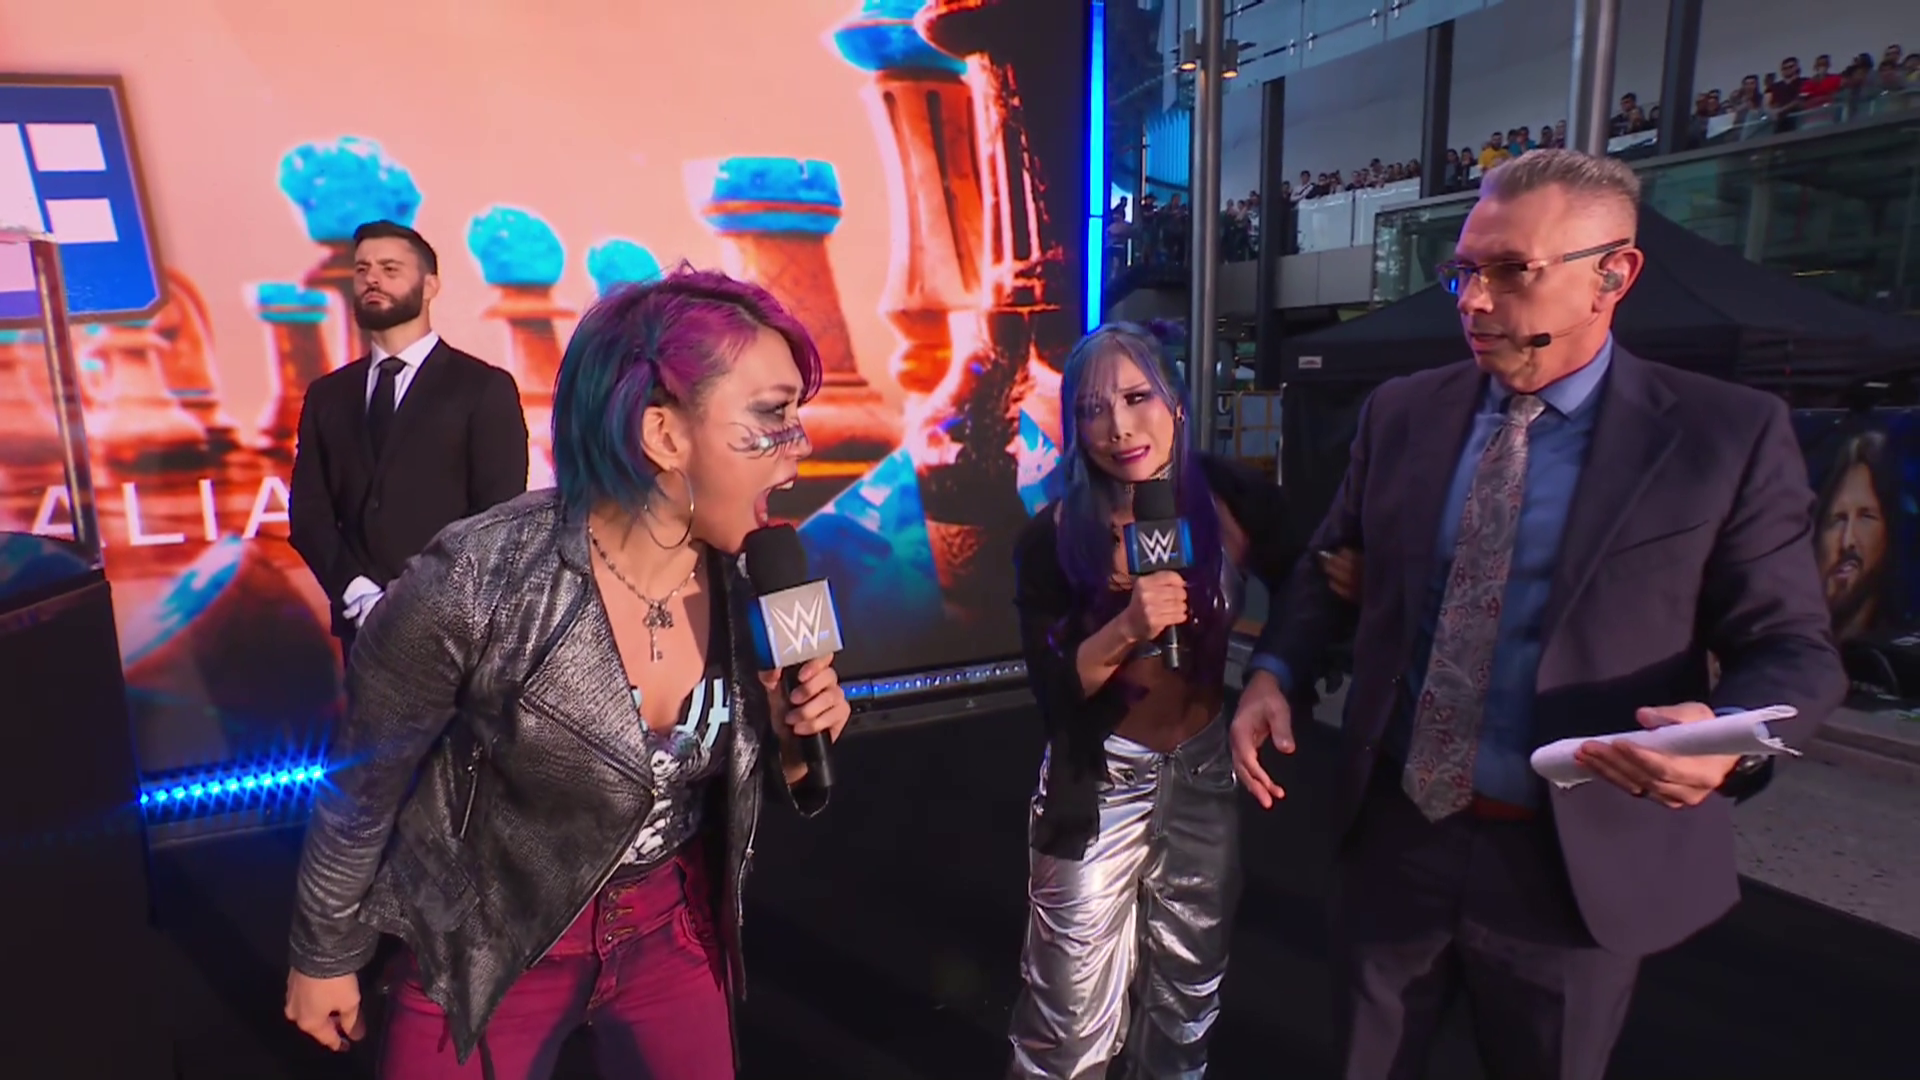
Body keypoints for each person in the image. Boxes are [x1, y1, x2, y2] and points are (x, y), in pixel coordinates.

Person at [1229, 149, 1846, 1080]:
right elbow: (1329, 563)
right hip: (1398, 836)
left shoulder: (1723, 435)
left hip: (1572, 866)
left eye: (1512, 271)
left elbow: (1794, 647)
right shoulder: (1402, 412)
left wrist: (1726, 739)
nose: (1473, 301)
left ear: (1614, 275)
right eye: (1463, 270)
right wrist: (1275, 670)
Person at [282, 266, 853, 1080]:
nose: (800, 447)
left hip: (668, 933)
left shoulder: (761, 576)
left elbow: (761, 771)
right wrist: (323, 954)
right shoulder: (474, 578)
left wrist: (795, 737)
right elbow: (362, 783)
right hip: (489, 939)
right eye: (772, 416)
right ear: (663, 435)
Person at [1004, 322, 1355, 1078]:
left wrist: (1273, 673)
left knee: (1187, 997)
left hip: (1203, 776)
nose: (1119, 427)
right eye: (1094, 409)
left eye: (1137, 398)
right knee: (1067, 1018)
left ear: (1176, 401)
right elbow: (1054, 694)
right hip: (1097, 783)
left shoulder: (1232, 499)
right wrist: (1128, 626)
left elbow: (1308, 584)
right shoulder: (1053, 537)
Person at [288, 219, 529, 666]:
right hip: (362, 637)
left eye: (390, 269)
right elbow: (309, 514)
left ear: (430, 285)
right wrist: (359, 593)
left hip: (457, 640)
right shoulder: (327, 396)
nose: (372, 279)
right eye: (362, 269)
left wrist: (422, 603)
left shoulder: (482, 388)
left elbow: (498, 520)